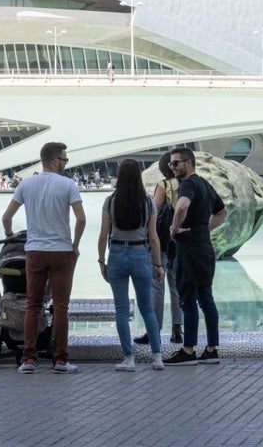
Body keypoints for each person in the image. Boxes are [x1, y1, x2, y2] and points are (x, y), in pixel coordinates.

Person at [1, 141, 86, 374]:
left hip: (34, 251)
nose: (66, 164)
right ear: (55, 161)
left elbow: (6, 218)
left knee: (33, 305)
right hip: (61, 251)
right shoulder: (68, 185)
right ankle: (60, 360)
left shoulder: (26, 185)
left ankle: (28, 359)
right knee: (60, 307)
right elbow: (81, 219)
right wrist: (75, 245)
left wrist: (9, 236)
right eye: (65, 160)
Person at [97, 159, 164, 371]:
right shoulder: (148, 202)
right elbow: (153, 237)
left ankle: (128, 359)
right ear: (138, 175)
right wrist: (158, 264)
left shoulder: (110, 201)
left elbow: (102, 235)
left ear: (119, 175)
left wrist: (101, 261)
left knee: (121, 310)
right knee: (147, 309)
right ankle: (157, 357)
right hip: (140, 254)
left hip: (116, 254)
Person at [163, 148, 227, 366]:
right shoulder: (205, 184)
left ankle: (188, 351)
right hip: (205, 248)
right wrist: (204, 229)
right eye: (171, 164)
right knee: (206, 299)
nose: (172, 168)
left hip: (188, 250)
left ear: (189, 163)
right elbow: (221, 212)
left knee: (188, 300)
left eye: (176, 163)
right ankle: (211, 349)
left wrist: (174, 228)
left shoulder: (189, 184)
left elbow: (182, 206)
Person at [135, 153, 182, 346]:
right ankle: (177, 330)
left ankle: (153, 331)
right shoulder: (185, 183)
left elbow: (153, 210)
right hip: (180, 240)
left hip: (163, 241)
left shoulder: (164, 184)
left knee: (157, 286)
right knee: (176, 286)